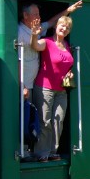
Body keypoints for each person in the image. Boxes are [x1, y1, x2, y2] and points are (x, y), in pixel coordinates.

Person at [30, 16, 75, 162]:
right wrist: (34, 34)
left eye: (67, 28)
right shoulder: (48, 42)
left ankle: (52, 151)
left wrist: (69, 72)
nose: (64, 29)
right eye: (62, 25)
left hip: (61, 90)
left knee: (58, 120)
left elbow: (65, 64)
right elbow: (35, 45)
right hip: (44, 88)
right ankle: (41, 152)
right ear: (56, 26)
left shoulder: (67, 45)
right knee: (45, 121)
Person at [18, 0, 82, 102]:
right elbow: (17, 60)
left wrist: (68, 10)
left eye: (39, 14)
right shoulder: (19, 32)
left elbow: (52, 21)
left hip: (33, 82)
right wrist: (22, 86)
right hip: (24, 85)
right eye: (36, 14)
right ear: (25, 15)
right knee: (25, 114)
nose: (39, 17)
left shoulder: (37, 28)